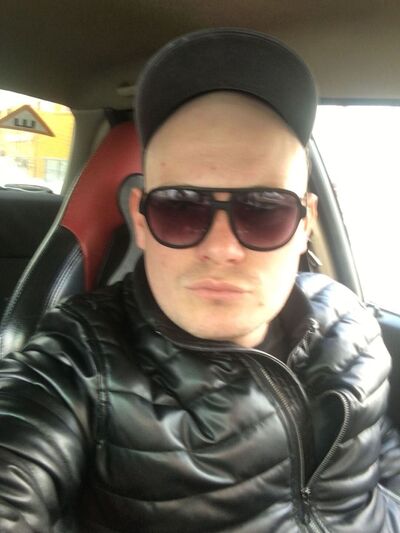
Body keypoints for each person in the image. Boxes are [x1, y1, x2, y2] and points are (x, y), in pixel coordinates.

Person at [1, 27, 400, 533]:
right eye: (180, 207)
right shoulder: (79, 364)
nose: (221, 248)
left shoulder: (351, 325)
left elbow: (382, 472)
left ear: (304, 225)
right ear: (141, 221)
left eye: (264, 210)